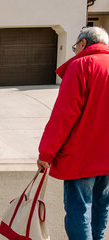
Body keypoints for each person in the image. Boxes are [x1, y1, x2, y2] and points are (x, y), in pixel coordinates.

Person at [37, 27, 109, 240]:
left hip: (82, 156)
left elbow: (64, 115)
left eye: (75, 46)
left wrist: (46, 153)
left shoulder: (82, 66)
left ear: (84, 44)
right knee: (101, 206)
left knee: (79, 209)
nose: (74, 50)